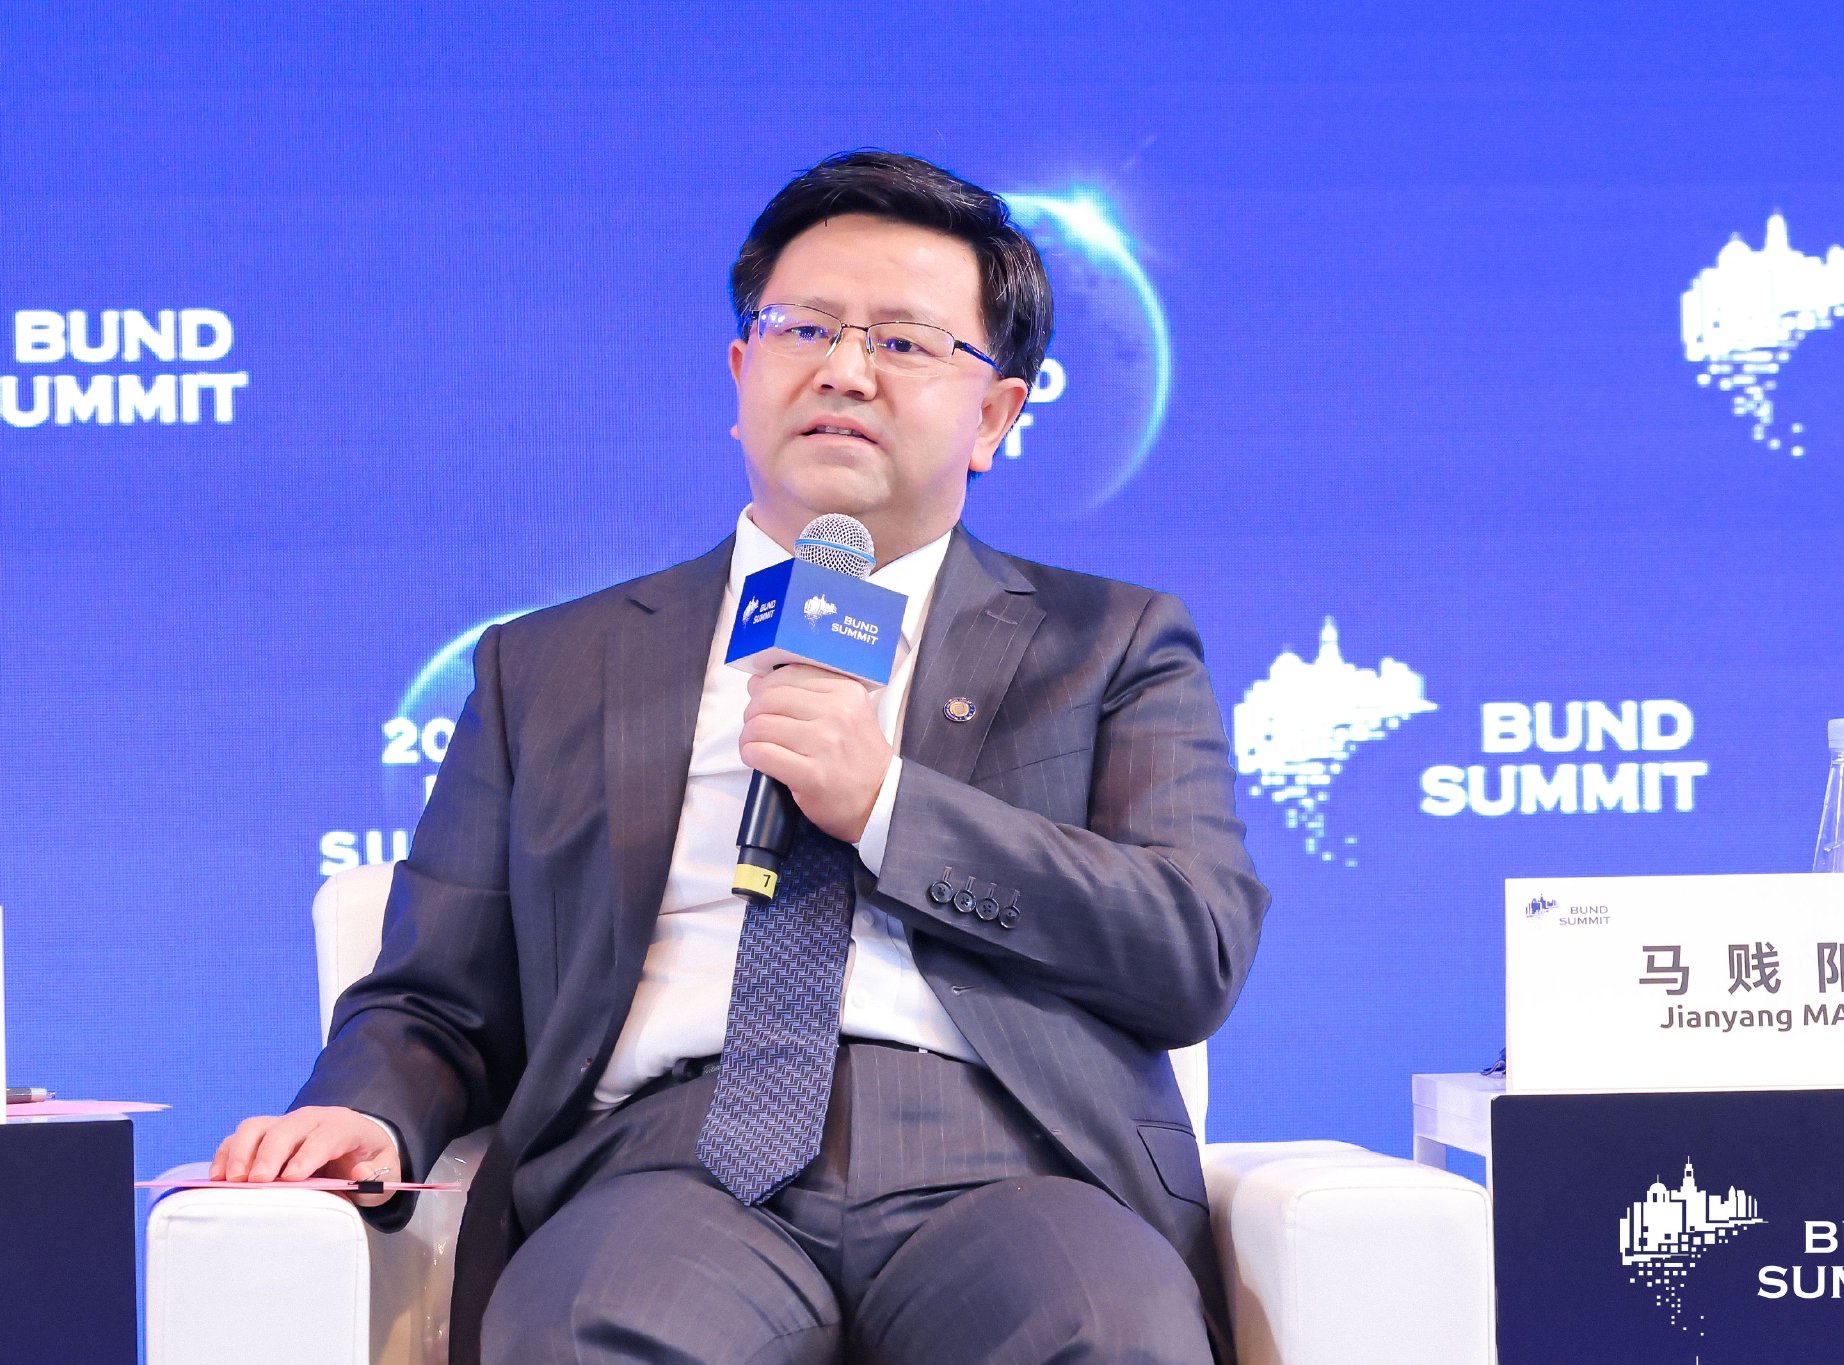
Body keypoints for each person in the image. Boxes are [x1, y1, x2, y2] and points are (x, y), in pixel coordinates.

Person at [212, 150, 1270, 1365]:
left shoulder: (1109, 643)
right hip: (664, 1166)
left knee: (1105, 1338)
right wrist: (365, 1111)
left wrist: (885, 806)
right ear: (739, 374)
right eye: (802, 328)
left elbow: (1189, 949)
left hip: (1013, 1161)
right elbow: (437, 995)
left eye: (904, 342)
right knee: (585, 1337)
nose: (843, 370)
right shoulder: (549, 664)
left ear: (994, 416)